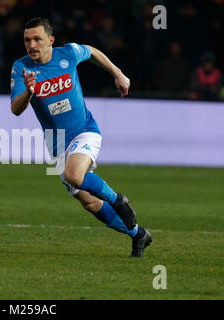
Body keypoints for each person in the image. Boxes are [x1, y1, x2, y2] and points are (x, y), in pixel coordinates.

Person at [10, 18, 152, 257]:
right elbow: (15, 108)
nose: (32, 45)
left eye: (37, 39)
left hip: (85, 130)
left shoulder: (68, 54)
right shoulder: (21, 68)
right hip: (57, 144)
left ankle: (118, 200)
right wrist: (28, 92)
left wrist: (118, 73)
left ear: (51, 41)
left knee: (74, 175)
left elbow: (93, 52)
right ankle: (138, 234)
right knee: (90, 203)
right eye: (27, 40)